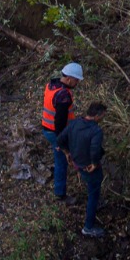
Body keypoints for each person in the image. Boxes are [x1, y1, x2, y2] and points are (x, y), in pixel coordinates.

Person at [57, 102, 108, 238]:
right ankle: (88, 227)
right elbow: (95, 150)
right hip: (88, 167)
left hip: (78, 164)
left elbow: (60, 139)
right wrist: (94, 163)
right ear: (97, 116)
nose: (103, 117)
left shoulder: (75, 123)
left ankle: (96, 203)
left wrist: (67, 152)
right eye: (103, 115)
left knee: (92, 189)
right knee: (93, 193)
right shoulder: (96, 131)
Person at [39, 62, 82, 201]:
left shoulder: (52, 85)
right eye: (76, 80)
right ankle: (60, 193)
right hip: (55, 132)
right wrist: (61, 142)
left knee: (60, 158)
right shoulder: (63, 96)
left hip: (47, 128)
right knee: (62, 160)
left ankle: (61, 189)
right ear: (69, 79)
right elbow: (60, 121)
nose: (77, 83)